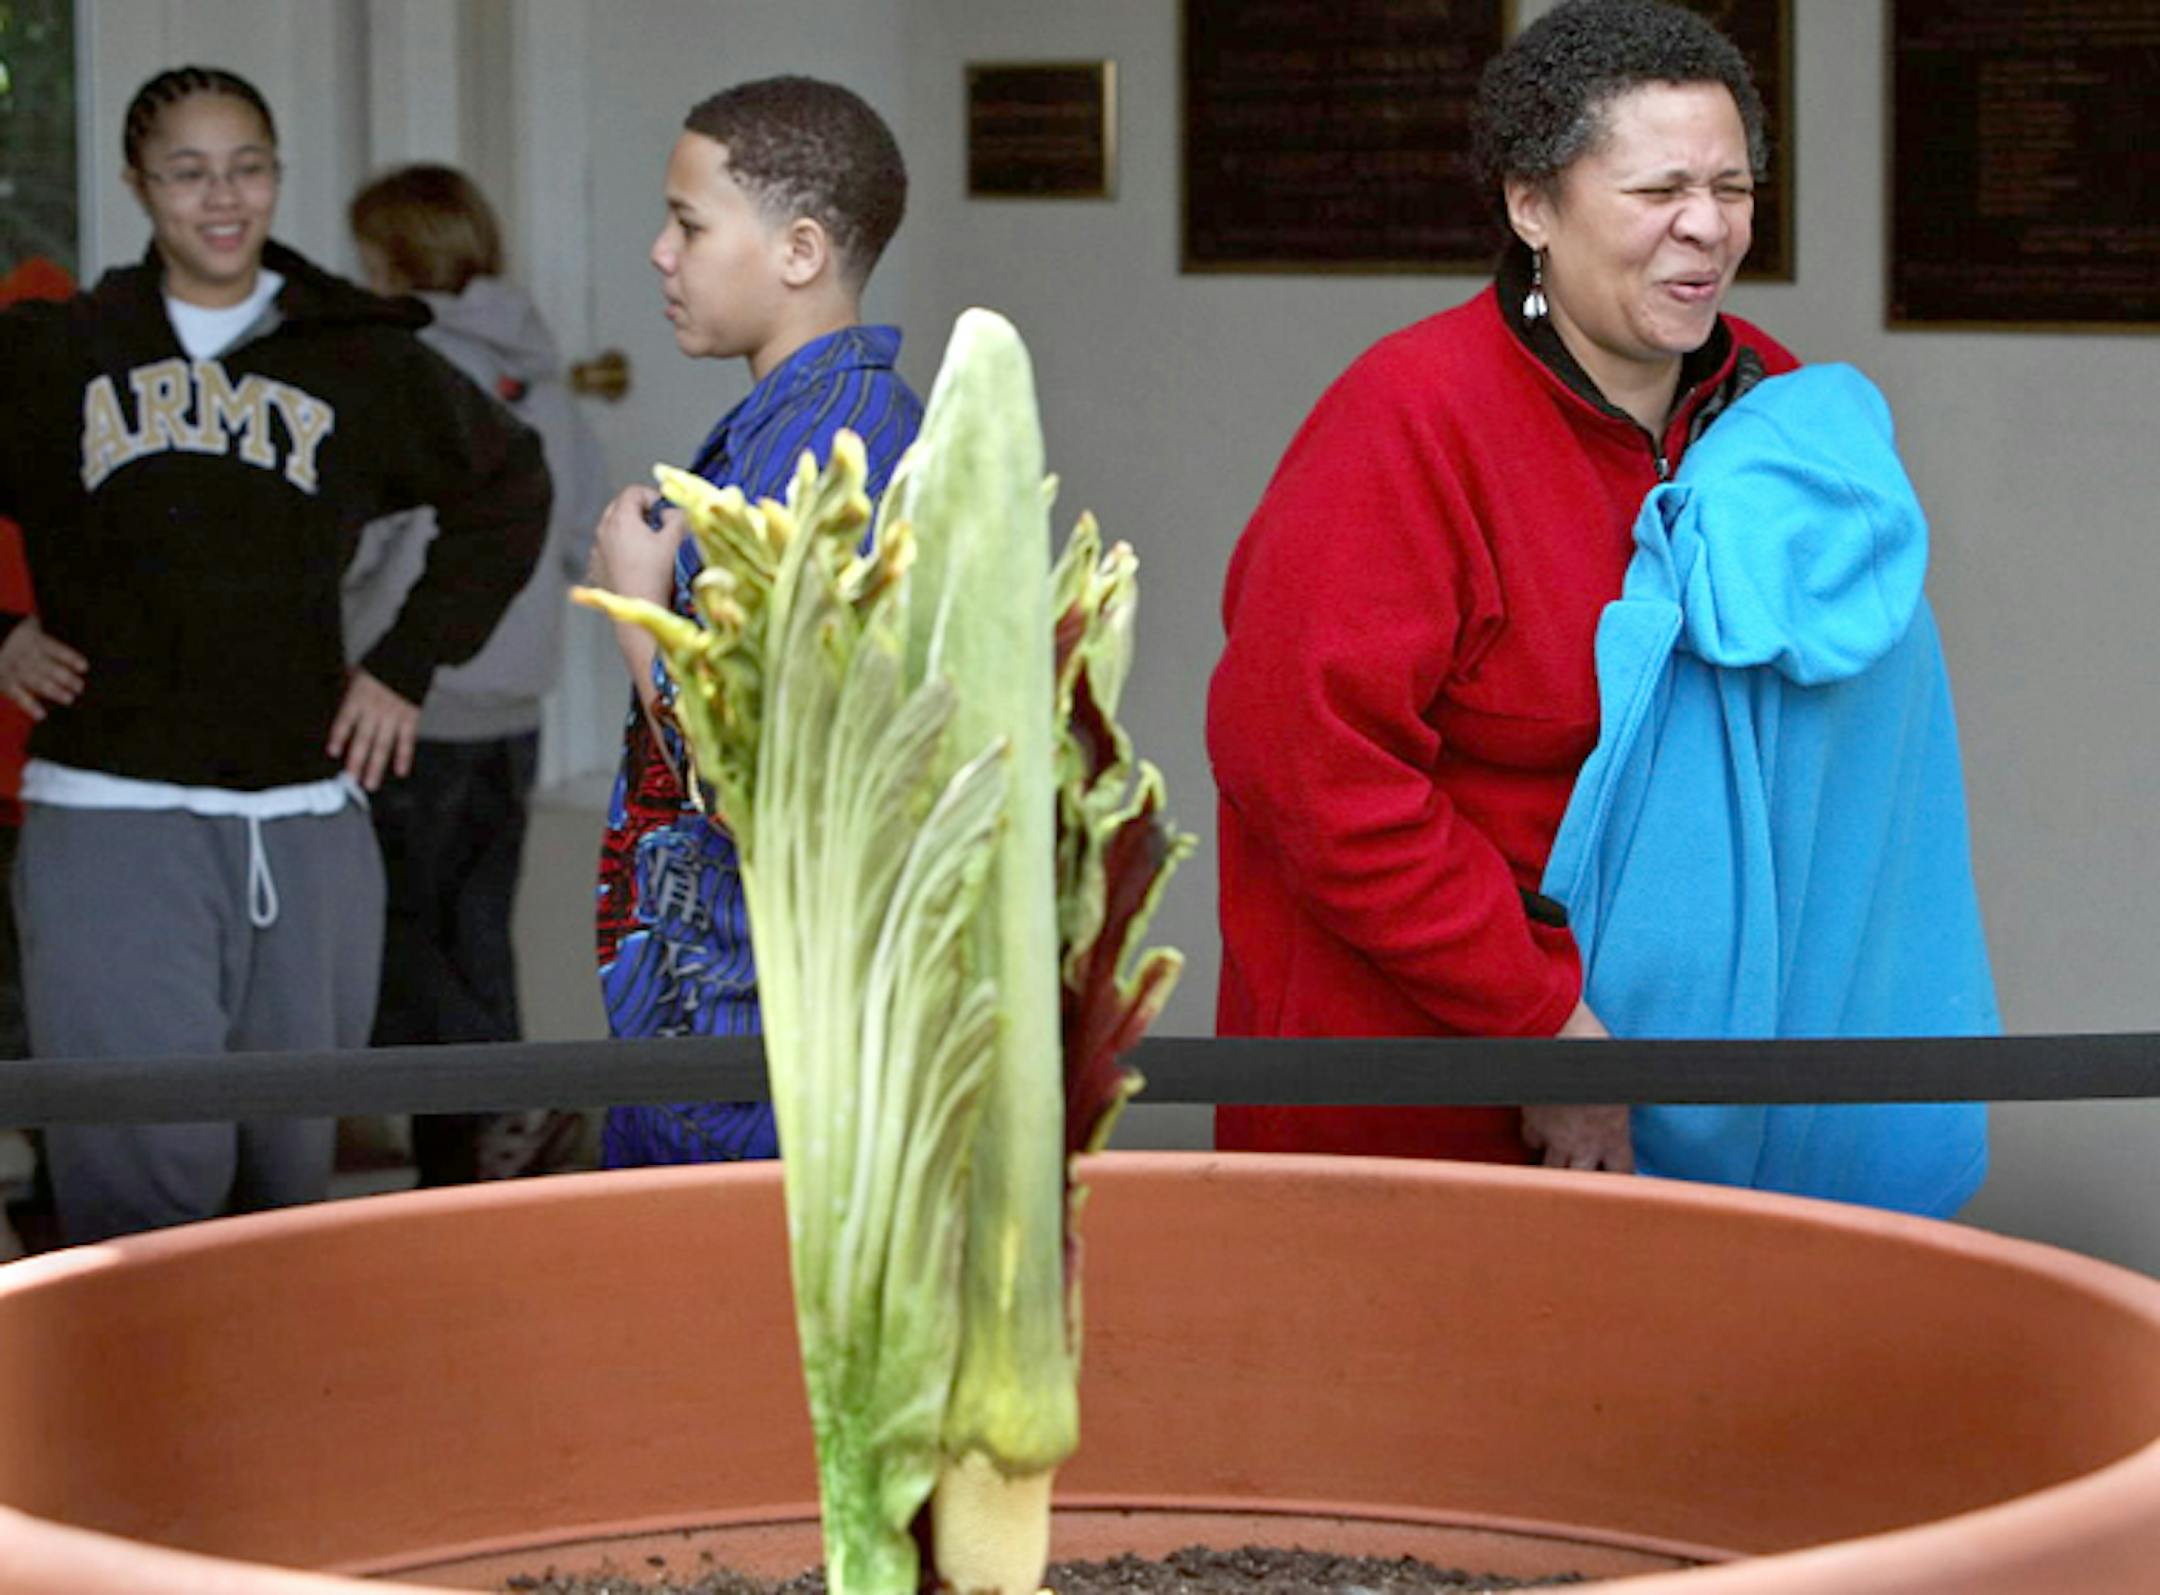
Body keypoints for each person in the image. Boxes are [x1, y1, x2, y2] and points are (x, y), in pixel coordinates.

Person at [1208, 0, 1796, 1170]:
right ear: (1533, 204)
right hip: (1421, 1067)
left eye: (1730, 190)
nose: (1706, 229)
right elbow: (1311, 770)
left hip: (1683, 1057)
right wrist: (1543, 1030)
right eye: (1657, 190)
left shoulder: (1773, 400)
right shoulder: (1409, 419)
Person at [0, 66, 549, 1244]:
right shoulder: (58, 355)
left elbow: (511, 484)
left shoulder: (353, 353)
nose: (223, 196)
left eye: (248, 165)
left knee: (286, 1182)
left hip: (304, 817)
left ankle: (273, 1425)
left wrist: (406, 664)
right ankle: (143, 1424)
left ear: (277, 175)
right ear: (139, 184)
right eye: (189, 170)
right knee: (143, 1172)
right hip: (111, 807)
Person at [588, 77, 921, 1166]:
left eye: (688, 223)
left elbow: (765, 782)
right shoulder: (798, 422)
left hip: (769, 1046)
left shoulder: (836, 457)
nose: (660, 252)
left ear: (800, 250)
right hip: (718, 1014)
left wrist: (640, 607)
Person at [345, 164, 606, 1185]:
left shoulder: (401, 367)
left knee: (393, 924)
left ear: (394, 254)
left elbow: (370, 539)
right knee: (475, 928)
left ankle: (503, 1099)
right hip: (515, 695)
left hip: (408, 695)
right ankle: (472, 1169)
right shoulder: (539, 375)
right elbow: (583, 533)